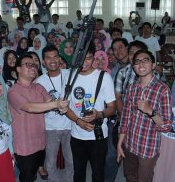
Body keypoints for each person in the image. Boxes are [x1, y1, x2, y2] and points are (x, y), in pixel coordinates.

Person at [8, 54, 69, 182]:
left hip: (40, 141)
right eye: (28, 65)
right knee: (27, 176)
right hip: (24, 145)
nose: (33, 68)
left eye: (34, 65)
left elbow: (50, 102)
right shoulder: (13, 91)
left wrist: (60, 106)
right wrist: (56, 104)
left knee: (34, 173)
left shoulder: (38, 87)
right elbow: (29, 107)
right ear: (18, 69)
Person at [117, 49, 173, 182]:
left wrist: (150, 111)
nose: (141, 64)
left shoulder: (162, 89)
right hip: (129, 144)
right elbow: (125, 119)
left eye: (145, 60)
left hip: (148, 148)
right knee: (130, 177)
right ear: (133, 66)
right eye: (137, 62)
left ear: (153, 65)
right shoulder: (131, 88)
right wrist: (120, 143)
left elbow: (167, 125)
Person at [63, 44, 116, 182]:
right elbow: (65, 107)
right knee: (78, 173)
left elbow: (112, 107)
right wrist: (78, 121)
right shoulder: (69, 76)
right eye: (81, 58)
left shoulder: (104, 77)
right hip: (76, 134)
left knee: (98, 173)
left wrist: (99, 114)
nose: (84, 63)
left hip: (98, 135)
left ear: (93, 57)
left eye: (88, 58)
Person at [35, 46, 73, 182]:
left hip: (70, 125)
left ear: (60, 58)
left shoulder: (70, 74)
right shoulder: (39, 82)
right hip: (50, 127)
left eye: (55, 56)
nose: (52, 60)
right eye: (48, 58)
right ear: (43, 62)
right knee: (50, 163)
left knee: (71, 161)